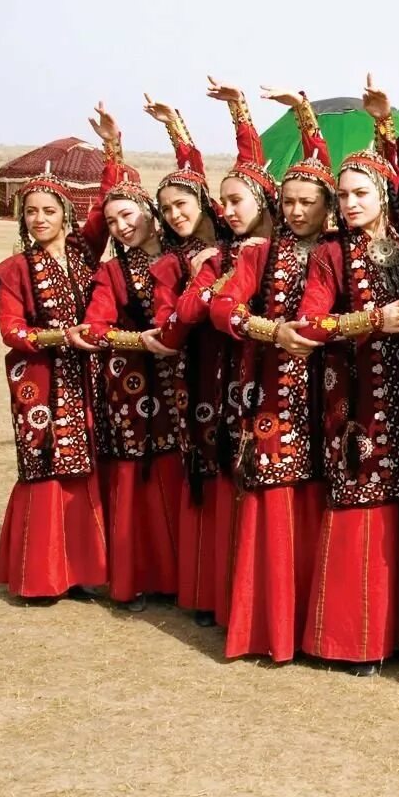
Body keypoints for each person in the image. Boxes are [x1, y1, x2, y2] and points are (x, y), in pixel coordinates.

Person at [287, 75, 399, 676]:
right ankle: (356, 640)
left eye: (360, 193)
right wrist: (374, 318)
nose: (349, 203)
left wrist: (382, 125)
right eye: (342, 195)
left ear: (382, 197)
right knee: (360, 512)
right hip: (356, 402)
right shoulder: (329, 257)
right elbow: (311, 325)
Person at [209, 88, 337, 663]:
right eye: (287, 201)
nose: (295, 211)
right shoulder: (258, 257)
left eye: (307, 201)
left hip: (333, 401)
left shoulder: (342, 255)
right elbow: (221, 308)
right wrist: (271, 331)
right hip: (274, 401)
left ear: (326, 204)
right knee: (276, 502)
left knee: (325, 505)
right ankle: (272, 628)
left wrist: (309, 113)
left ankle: (321, 626)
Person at [153, 78, 281, 627]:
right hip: (210, 378)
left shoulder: (277, 248)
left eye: (236, 202)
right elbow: (183, 319)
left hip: (265, 379)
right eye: (222, 202)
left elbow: (248, 170)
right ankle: (215, 591)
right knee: (216, 472)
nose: (227, 209)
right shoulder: (209, 255)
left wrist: (239, 112)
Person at [0, 143, 113, 602]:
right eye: (30, 212)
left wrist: (112, 146)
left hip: (86, 382)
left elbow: (107, 200)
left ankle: (79, 570)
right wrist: (59, 337)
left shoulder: (84, 252)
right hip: (40, 383)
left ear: (65, 214)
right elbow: (11, 330)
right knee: (43, 468)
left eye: (47, 210)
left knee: (83, 468)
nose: (39, 219)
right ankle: (41, 576)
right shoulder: (15, 270)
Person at [79, 107, 186, 611]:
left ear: (149, 211)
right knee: (136, 477)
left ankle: (180, 578)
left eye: (130, 215)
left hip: (181, 384)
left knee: (178, 474)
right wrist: (141, 342)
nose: (122, 226)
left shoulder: (185, 255)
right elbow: (96, 329)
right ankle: (135, 576)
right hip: (133, 386)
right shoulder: (112, 275)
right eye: (114, 219)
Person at [142, 93, 237, 627]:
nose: (177, 215)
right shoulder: (168, 265)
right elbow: (170, 322)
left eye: (184, 205)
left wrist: (184, 124)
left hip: (237, 367)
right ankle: (203, 588)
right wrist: (203, 278)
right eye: (169, 209)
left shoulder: (235, 240)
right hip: (194, 378)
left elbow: (199, 171)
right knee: (203, 471)